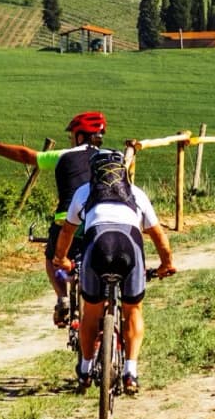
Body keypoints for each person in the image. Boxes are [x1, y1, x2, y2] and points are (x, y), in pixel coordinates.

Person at [55, 148, 176, 396]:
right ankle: (130, 371)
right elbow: (158, 235)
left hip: (97, 245)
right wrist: (167, 264)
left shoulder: (84, 192)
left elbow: (66, 231)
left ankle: (86, 368)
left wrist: (61, 258)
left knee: (92, 311)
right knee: (133, 309)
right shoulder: (136, 193)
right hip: (129, 246)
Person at [0, 111, 106, 327]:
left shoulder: (64, 156)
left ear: (80, 136)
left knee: (52, 258)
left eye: (72, 135)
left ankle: (62, 295)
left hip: (67, 221)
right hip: (100, 219)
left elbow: (28, 156)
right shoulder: (109, 157)